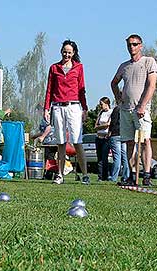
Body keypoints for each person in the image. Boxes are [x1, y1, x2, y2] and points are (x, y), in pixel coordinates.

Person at [111, 34, 157, 186]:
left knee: (145, 141)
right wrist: (118, 98)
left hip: (141, 110)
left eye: (135, 44)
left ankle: (146, 175)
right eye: (129, 44)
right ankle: (131, 175)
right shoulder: (124, 66)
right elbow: (114, 83)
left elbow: (152, 85)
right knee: (129, 143)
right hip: (126, 110)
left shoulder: (148, 62)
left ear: (141, 45)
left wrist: (142, 106)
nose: (132, 47)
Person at [44, 40, 90, 185]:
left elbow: (82, 88)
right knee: (61, 142)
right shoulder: (54, 68)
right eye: (65, 51)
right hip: (57, 107)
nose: (67, 54)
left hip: (74, 107)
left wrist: (85, 108)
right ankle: (59, 175)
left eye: (69, 52)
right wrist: (47, 108)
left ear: (74, 53)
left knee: (77, 141)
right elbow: (49, 89)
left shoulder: (79, 67)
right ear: (61, 51)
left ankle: (85, 175)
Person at [107, 104, 130, 182]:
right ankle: (126, 176)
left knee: (117, 157)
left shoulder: (117, 109)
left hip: (115, 134)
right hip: (124, 134)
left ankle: (114, 177)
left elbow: (113, 122)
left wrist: (109, 132)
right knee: (125, 156)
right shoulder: (126, 109)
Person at [94, 97, 113, 181]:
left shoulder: (111, 112)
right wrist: (101, 126)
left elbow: (108, 124)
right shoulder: (101, 112)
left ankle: (106, 175)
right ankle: (100, 176)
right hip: (98, 137)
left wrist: (101, 126)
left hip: (106, 138)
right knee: (99, 158)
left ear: (107, 104)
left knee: (104, 158)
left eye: (101, 104)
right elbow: (95, 126)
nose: (100, 106)